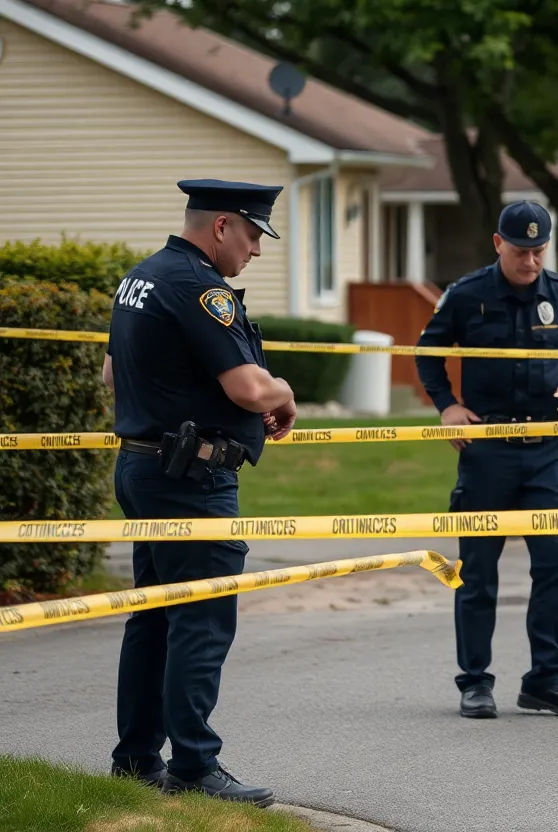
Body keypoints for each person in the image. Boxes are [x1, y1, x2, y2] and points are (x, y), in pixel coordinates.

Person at [103, 179, 296, 807]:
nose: (256, 251)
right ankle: (194, 764)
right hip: (191, 479)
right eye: (252, 235)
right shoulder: (198, 286)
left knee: (155, 615)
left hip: (144, 468)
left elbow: (112, 372)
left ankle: (136, 758)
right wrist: (284, 391)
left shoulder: (142, 277)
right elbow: (247, 388)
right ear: (221, 226)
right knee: (201, 619)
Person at [415, 200, 558, 720]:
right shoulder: (468, 294)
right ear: (499, 243)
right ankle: (475, 682)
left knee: (557, 566)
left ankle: (547, 680)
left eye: (539, 250)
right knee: (477, 572)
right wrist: (448, 406)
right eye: (522, 250)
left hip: (547, 452)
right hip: (487, 453)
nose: (531, 261)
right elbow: (426, 353)